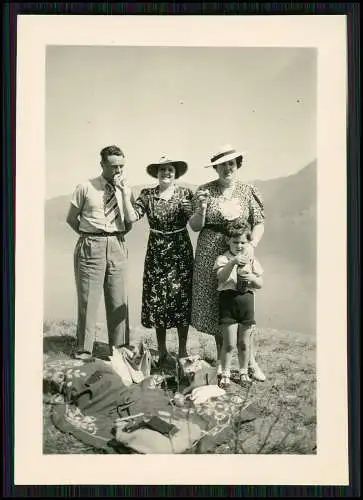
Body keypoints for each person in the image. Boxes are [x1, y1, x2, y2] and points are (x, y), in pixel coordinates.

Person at [189, 144, 265, 377]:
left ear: (237, 164)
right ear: (215, 168)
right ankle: (224, 361)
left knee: (243, 301)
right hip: (210, 252)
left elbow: (259, 222)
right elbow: (194, 226)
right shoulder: (205, 190)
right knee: (217, 304)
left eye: (230, 163)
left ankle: (250, 362)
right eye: (221, 165)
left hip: (240, 249)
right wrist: (201, 208)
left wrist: (251, 246)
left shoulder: (247, 190)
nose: (226, 168)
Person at [121, 155, 194, 365]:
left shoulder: (186, 193)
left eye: (170, 169)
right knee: (158, 301)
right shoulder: (147, 194)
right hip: (157, 252)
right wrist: (126, 195)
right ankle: (162, 351)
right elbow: (132, 217)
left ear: (175, 173)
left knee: (182, 299)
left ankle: (182, 351)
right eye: (162, 170)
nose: (166, 173)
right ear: (156, 173)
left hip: (180, 251)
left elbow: (196, 221)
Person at [66, 145, 134, 360]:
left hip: (117, 242)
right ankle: (85, 348)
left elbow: (129, 222)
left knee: (118, 297)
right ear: (102, 164)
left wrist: (123, 193)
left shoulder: (127, 189)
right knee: (88, 298)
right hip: (91, 244)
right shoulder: (85, 187)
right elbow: (71, 218)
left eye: (122, 166)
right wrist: (90, 236)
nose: (118, 171)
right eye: (114, 166)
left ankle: (120, 349)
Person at [213, 224, 265, 388]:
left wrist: (252, 277)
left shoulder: (251, 260)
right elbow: (221, 277)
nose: (239, 246)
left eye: (243, 242)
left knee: (244, 343)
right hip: (228, 303)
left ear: (248, 243)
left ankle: (243, 371)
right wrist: (233, 262)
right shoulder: (223, 258)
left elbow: (260, 283)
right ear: (228, 241)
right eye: (235, 242)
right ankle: (226, 372)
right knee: (228, 344)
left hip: (246, 304)